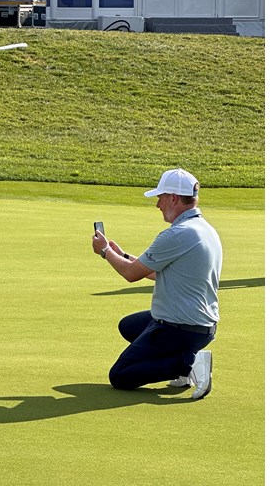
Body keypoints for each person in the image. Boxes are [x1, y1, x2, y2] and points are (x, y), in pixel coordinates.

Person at [91, 168, 222, 399]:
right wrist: (122, 255)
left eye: (161, 198)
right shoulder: (204, 229)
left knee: (121, 376)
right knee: (129, 326)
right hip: (200, 325)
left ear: (173, 198)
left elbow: (131, 275)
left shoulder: (178, 233)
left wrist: (105, 251)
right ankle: (182, 363)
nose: (158, 205)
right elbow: (155, 271)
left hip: (181, 327)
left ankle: (188, 364)